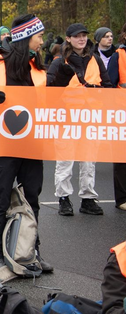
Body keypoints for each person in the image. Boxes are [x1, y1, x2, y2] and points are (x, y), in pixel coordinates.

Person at [0, 14, 53, 274]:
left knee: (32, 199)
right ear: (26, 38)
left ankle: (30, 252)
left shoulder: (38, 66)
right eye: (39, 36)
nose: (42, 41)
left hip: (32, 142)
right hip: (1, 143)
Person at [47, 23, 111, 216]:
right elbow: (49, 89)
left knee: (89, 159)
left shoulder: (95, 60)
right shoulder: (60, 62)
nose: (81, 39)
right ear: (68, 38)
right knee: (65, 160)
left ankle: (88, 198)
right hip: (67, 118)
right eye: (77, 36)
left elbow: (107, 85)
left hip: (90, 117)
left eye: (84, 35)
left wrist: (97, 93)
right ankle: (63, 198)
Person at [108, 24, 126, 211]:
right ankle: (122, 198)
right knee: (122, 157)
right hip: (122, 112)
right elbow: (110, 85)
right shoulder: (118, 56)